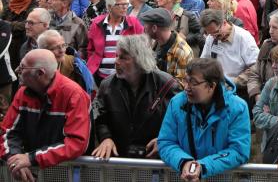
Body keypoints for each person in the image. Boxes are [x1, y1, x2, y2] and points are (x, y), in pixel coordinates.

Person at [0, 49, 90, 179]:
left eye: (22, 67)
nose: (17, 71)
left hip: (66, 174)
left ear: (40, 73)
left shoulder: (73, 95)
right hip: (33, 173)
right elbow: (7, 132)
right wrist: (15, 159)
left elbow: (76, 143)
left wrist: (31, 158)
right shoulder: (23, 93)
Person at [157, 58, 251, 180]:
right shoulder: (176, 103)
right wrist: (184, 162)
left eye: (193, 83)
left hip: (220, 178)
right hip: (184, 177)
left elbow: (238, 151)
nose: (186, 87)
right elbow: (166, 142)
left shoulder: (237, 108)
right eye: (186, 80)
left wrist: (203, 167)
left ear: (211, 86)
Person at [92, 35, 182, 160]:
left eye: (123, 58)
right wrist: (106, 138)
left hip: (155, 158)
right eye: (116, 56)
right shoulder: (107, 85)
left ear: (140, 61)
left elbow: (181, 120)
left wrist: (166, 139)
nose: (116, 61)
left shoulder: (166, 84)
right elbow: (99, 117)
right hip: (119, 158)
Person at [86, 0, 145, 83]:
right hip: (100, 76)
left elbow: (142, 49)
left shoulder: (134, 24)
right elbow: (90, 49)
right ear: (109, 7)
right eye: (120, 4)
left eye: (126, 4)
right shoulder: (97, 23)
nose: (125, 7)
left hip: (125, 77)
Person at [200, 9, 259, 88]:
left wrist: (235, 81)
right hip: (217, 85)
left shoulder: (243, 37)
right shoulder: (211, 37)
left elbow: (256, 66)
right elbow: (204, 61)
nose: (214, 37)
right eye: (210, 34)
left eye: (216, 32)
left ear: (224, 23)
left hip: (238, 87)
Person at [142, 7, 194, 85]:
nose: (144, 29)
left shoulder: (181, 52)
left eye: (145, 25)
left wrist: (156, 72)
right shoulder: (153, 41)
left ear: (154, 28)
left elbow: (181, 86)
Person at [36, 29, 95, 95]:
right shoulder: (33, 67)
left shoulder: (76, 65)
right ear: (43, 50)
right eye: (55, 47)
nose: (62, 50)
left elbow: (89, 92)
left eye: (63, 45)